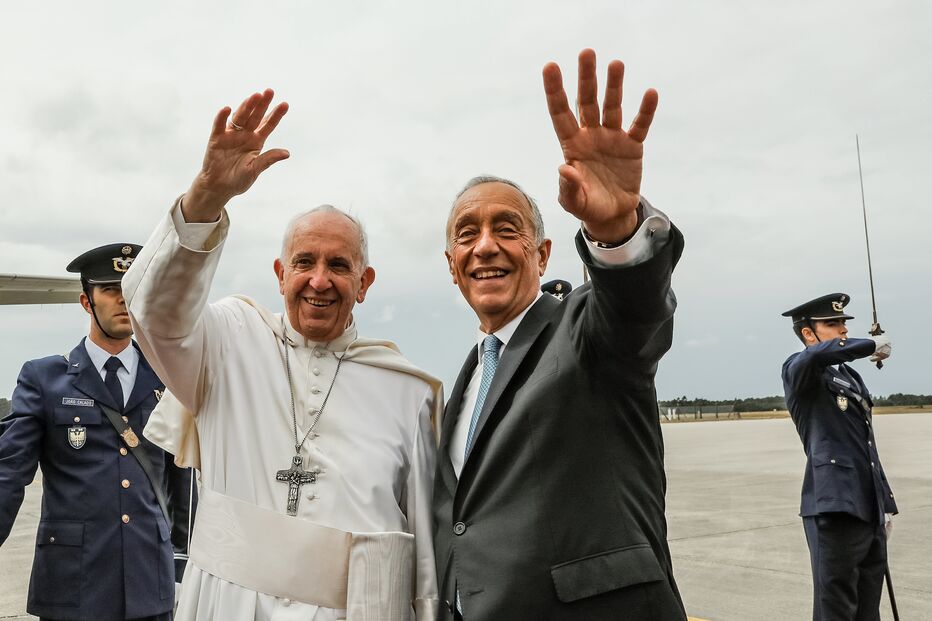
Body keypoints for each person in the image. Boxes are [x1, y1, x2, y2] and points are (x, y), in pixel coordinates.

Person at [122, 89, 441, 620]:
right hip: (227, 606)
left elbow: (426, 549)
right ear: (280, 274)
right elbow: (153, 311)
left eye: (339, 266)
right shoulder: (228, 341)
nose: (319, 280)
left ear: (365, 283)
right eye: (305, 262)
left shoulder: (409, 392)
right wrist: (207, 196)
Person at [432, 49, 686, 620]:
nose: (485, 246)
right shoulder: (465, 382)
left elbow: (636, 311)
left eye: (507, 229)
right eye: (467, 235)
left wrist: (616, 229)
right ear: (452, 266)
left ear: (543, 254)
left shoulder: (585, 330)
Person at [0, 243, 194, 621]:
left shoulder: (167, 377)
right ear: (86, 302)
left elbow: (182, 479)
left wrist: (184, 562)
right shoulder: (44, 380)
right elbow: (8, 472)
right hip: (73, 585)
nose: (124, 300)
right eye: (110, 290)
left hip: (150, 582)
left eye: (133, 290)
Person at [781, 292, 896, 621]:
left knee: (867, 609)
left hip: (867, 507)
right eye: (832, 324)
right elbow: (817, 355)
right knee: (837, 609)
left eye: (844, 323)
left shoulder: (850, 376)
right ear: (808, 333)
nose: (843, 329)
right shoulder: (800, 368)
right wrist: (870, 345)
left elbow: (866, 445)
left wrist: (884, 503)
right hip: (833, 506)